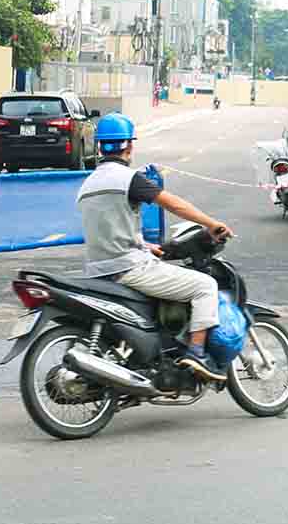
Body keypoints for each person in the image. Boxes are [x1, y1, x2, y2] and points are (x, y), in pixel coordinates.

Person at [76, 113, 236, 382]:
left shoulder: (87, 185)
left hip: (98, 271)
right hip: (128, 268)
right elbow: (173, 204)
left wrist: (144, 245)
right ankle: (196, 353)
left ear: (100, 146)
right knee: (204, 286)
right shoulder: (128, 179)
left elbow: (110, 227)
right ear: (129, 146)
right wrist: (211, 224)